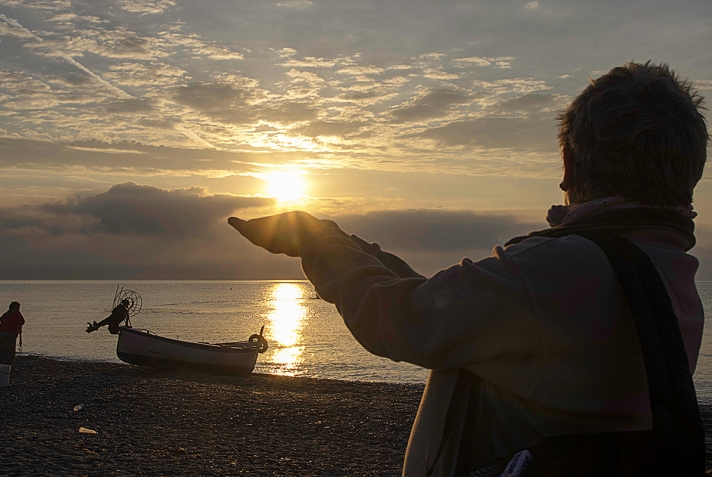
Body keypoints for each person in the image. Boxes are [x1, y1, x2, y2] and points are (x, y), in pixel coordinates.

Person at [228, 61, 708, 476]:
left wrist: (315, 239)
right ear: (691, 170)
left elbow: (407, 321)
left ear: (569, 160)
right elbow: (455, 305)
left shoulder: (563, 269)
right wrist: (350, 245)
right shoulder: (666, 270)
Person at [0, 301, 25, 365]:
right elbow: (22, 321)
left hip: (0, 334)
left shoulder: (5, 314)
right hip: (10, 334)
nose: (19, 309)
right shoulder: (16, 312)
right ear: (15, 307)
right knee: (10, 353)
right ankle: (5, 367)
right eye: (18, 307)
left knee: (1, 353)